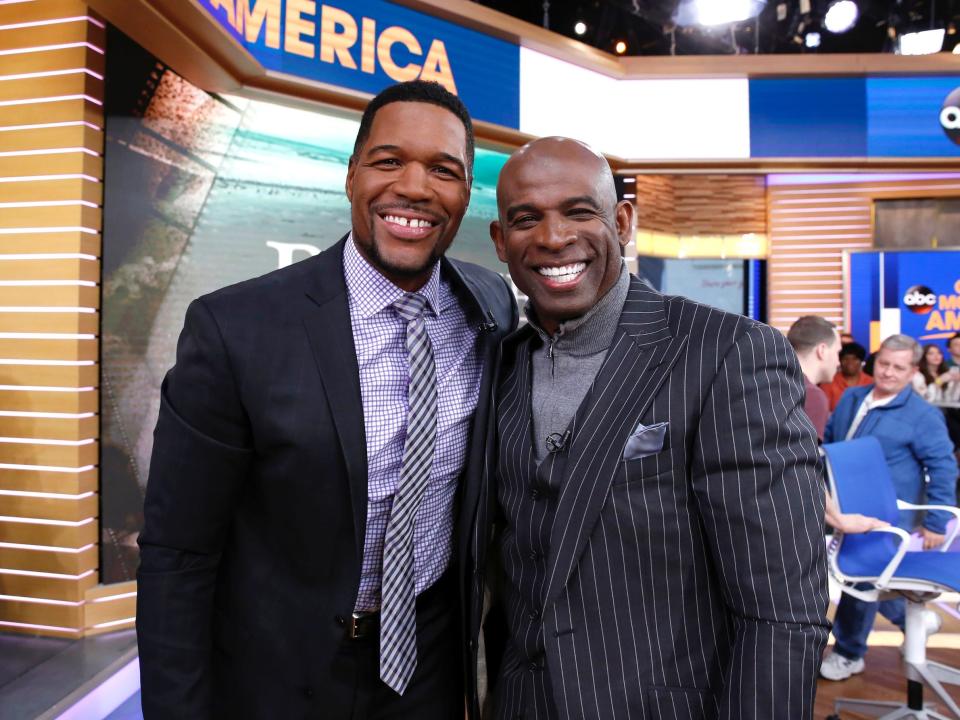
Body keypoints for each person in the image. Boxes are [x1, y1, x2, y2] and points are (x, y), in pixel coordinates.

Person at [136, 80, 517, 719]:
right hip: (279, 680)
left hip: (430, 673)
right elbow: (180, 554)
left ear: (464, 195)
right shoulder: (236, 329)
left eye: (443, 171)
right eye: (389, 160)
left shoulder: (490, 307)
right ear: (350, 177)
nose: (416, 188)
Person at [472, 136, 830, 720]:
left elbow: (782, 609)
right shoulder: (500, 365)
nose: (553, 237)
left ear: (622, 221)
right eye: (525, 219)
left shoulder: (729, 353)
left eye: (578, 211)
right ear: (500, 241)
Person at [820, 334, 959, 682]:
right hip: (843, 504)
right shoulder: (853, 396)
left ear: (913, 370)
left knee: (862, 576)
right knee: (874, 578)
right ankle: (912, 619)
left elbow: (943, 467)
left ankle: (849, 652)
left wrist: (937, 521)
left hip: (886, 514)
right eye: (884, 364)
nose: (889, 373)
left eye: (899, 368)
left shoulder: (922, 415)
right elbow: (833, 441)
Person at [787, 315, 840, 439]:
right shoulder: (812, 396)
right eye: (838, 352)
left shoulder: (766, 380)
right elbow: (803, 457)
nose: (838, 362)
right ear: (822, 350)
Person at [821, 341, 872, 411]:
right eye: (845, 358)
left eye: (855, 359)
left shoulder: (871, 382)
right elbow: (823, 411)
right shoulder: (828, 382)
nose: (850, 362)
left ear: (861, 361)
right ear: (839, 361)